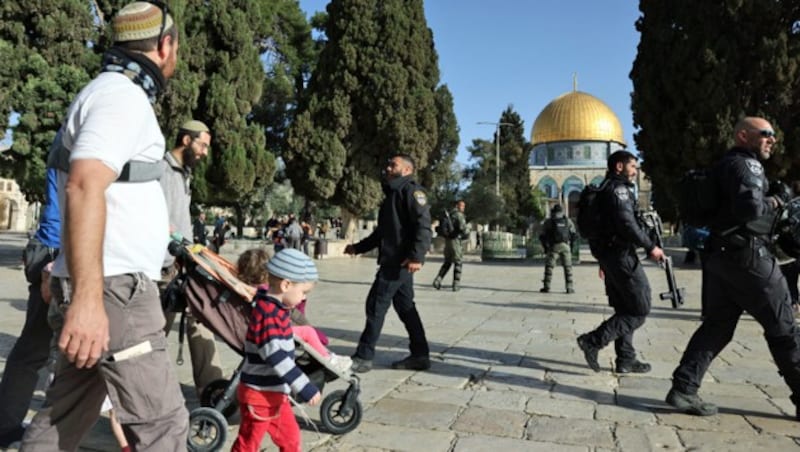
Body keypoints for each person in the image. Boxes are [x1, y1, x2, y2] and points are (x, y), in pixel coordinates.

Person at [21, 3, 188, 450]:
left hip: (105, 286)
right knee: (163, 426)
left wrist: (65, 271)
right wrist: (88, 300)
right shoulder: (121, 97)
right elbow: (82, 185)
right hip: (117, 293)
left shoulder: (108, 92)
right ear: (164, 45)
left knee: (66, 415)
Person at [665, 117, 800, 418]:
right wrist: (777, 199)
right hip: (749, 259)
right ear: (743, 135)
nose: (772, 140)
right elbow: (750, 208)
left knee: (717, 327)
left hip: (721, 258)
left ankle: (684, 389)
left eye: (773, 135)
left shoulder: (723, 165)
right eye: (765, 134)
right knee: (784, 330)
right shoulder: (746, 166)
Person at [576, 150, 665, 374]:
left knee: (626, 307)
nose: (635, 171)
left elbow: (606, 227)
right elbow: (627, 224)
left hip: (611, 256)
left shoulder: (606, 189)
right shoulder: (619, 190)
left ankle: (626, 358)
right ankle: (593, 341)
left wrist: (604, 261)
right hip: (621, 257)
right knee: (640, 307)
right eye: (632, 166)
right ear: (619, 167)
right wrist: (650, 246)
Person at [344, 154, 432, 373]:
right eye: (388, 163)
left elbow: (424, 226)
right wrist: (358, 247)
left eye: (393, 165)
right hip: (395, 260)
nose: (388, 167)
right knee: (405, 308)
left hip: (400, 262)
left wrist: (416, 257)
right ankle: (420, 355)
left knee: (376, 305)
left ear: (407, 170)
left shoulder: (412, 192)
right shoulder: (392, 195)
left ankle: (364, 357)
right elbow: (383, 232)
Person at [232, 249, 322, 452]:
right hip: (259, 395)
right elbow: (275, 355)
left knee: (290, 439)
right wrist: (304, 386)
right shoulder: (267, 314)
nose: (303, 298)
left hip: (275, 393)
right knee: (248, 443)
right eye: (303, 292)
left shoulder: (275, 308)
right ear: (286, 285)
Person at [160, 119, 223, 396]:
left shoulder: (183, 173)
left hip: (184, 263)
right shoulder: (161, 171)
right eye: (202, 145)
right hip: (162, 267)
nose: (205, 152)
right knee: (155, 332)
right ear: (186, 140)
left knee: (201, 318)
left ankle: (214, 389)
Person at [0, 167, 60, 447]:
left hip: (55, 250)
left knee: (35, 350)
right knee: (34, 349)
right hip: (57, 252)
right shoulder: (80, 135)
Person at [236, 248, 351, 372]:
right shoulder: (268, 293)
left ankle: (325, 354)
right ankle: (328, 359)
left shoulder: (252, 291)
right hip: (274, 331)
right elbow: (294, 316)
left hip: (268, 329)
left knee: (307, 331)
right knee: (307, 331)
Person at [538, 204, 576, 294]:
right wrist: (571, 247)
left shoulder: (549, 221)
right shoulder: (567, 221)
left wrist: (545, 247)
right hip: (565, 246)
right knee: (568, 268)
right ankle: (569, 287)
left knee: (549, 267)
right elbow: (574, 235)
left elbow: (542, 236)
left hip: (554, 246)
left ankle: (546, 286)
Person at [432, 199, 469, 292]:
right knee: (458, 262)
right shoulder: (458, 215)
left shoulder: (449, 215)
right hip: (455, 241)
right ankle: (456, 284)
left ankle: (438, 280)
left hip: (447, 241)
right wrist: (467, 232)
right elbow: (463, 228)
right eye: (462, 206)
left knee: (447, 262)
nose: (463, 208)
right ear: (457, 206)